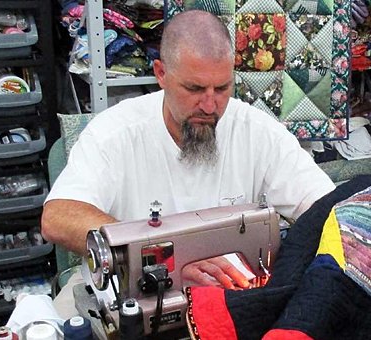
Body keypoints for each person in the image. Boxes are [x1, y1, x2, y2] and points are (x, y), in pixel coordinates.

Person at [41, 9, 336, 317]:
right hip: (132, 302)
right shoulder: (115, 132)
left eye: (222, 89)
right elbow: (59, 217)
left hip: (228, 300)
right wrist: (172, 262)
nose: (210, 106)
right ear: (161, 74)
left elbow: (327, 210)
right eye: (194, 89)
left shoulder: (256, 131)